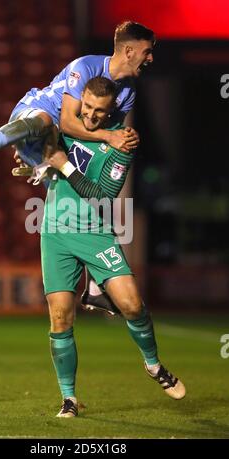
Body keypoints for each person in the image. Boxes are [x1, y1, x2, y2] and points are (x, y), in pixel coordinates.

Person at [0, 21, 155, 314]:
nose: (151, 58)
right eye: (147, 51)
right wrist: (111, 136)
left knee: (87, 203)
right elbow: (70, 122)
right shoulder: (85, 67)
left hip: (60, 147)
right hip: (36, 118)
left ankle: (95, 288)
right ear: (130, 51)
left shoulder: (128, 91)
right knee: (43, 120)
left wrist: (123, 138)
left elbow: (103, 132)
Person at [41, 77, 186, 418]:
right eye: (87, 107)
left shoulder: (122, 141)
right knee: (60, 317)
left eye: (98, 111)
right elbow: (38, 133)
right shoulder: (67, 121)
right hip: (55, 231)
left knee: (133, 305)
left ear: (111, 111)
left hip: (95, 231)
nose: (89, 116)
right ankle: (69, 398)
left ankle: (153, 365)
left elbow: (101, 193)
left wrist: (63, 165)